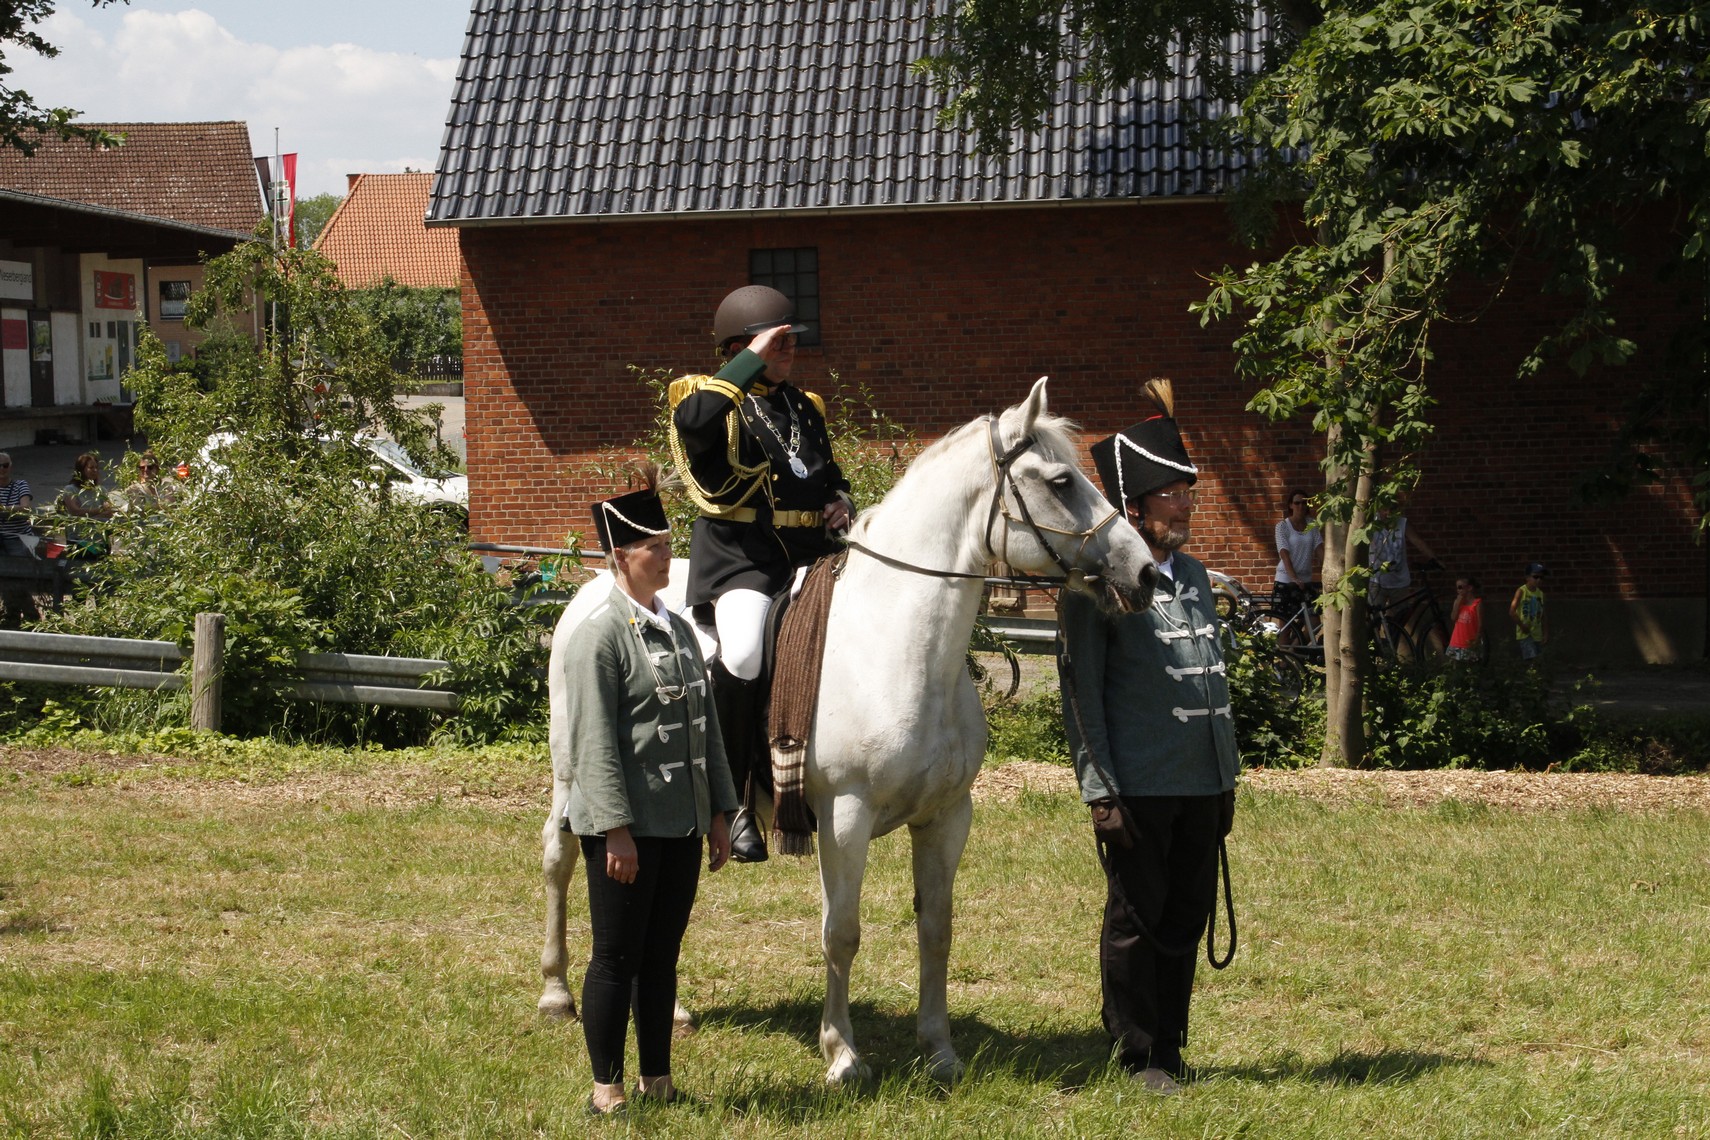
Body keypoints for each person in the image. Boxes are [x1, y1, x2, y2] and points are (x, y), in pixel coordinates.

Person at [1057, 378, 1240, 1095]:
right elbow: (1082, 697)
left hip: (1201, 781)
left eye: (1188, 494)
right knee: (1138, 919)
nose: (1186, 507)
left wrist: (1224, 777)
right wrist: (1099, 789)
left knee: (1188, 914)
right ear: (1136, 507)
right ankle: (1136, 1053)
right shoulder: (1094, 585)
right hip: (1137, 785)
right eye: (1172, 496)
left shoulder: (1193, 575)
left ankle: (1170, 1042)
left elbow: (1211, 682)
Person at [558, 478, 738, 1116]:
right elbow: (592, 743)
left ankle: (656, 1079)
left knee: (661, 958)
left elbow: (708, 730)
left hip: (681, 823)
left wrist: (719, 812)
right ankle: (605, 1089)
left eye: (667, 544)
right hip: (626, 829)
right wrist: (614, 828)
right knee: (616, 957)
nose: (666, 556)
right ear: (620, 556)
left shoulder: (680, 630)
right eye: (652, 547)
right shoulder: (600, 635)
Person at [667, 284, 853, 860]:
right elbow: (695, 424)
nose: (790, 350)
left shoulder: (804, 407)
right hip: (742, 558)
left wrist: (841, 498)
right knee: (745, 653)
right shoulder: (709, 399)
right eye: (777, 342)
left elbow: (828, 473)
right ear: (739, 348)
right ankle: (734, 801)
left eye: (791, 341)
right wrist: (749, 362)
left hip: (811, 554)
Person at [1272, 489, 1321, 644]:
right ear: (1290, 505)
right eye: (1297, 503)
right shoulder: (1282, 526)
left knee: (1315, 623)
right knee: (1286, 626)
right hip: (1286, 580)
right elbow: (1284, 553)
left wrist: (1328, 569)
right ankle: (1283, 657)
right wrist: (1293, 577)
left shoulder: (1312, 525)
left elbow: (1319, 549)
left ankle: (1294, 650)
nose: (1301, 506)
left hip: (1305, 581)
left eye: (1304, 503)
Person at [0, 452, 41, 628]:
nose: (2, 469)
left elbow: (25, 509)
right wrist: (11, 509)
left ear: (11, 466)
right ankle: (15, 614)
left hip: (19, 538)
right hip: (1, 538)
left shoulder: (20, 485)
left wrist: (3, 509)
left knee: (15, 576)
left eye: (5, 465)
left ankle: (23, 614)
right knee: (5, 576)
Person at [57, 451, 113, 559]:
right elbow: (75, 511)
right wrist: (100, 511)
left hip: (100, 541)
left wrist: (87, 517)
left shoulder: (101, 490)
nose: (95, 470)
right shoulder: (70, 490)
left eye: (96, 467)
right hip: (79, 542)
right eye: (91, 468)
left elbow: (109, 512)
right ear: (81, 470)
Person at [1510, 562, 1548, 662]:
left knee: (1538, 659)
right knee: (1531, 658)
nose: (1539, 580)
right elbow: (1512, 611)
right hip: (1525, 632)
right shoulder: (1521, 591)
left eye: (1541, 578)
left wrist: (1545, 633)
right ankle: (1531, 672)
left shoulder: (1541, 594)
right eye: (1535, 577)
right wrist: (1522, 626)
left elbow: (1543, 615)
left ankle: (1534, 672)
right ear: (1527, 577)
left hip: (1537, 633)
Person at [1447, 575, 1484, 663]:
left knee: (1471, 665)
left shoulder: (1477, 603)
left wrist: (1476, 640)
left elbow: (1480, 624)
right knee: (1455, 666)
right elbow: (1453, 618)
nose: (1458, 590)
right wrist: (1457, 604)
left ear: (1469, 588)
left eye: (1460, 587)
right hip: (1456, 642)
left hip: (1470, 642)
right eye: (1457, 588)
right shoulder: (1458, 603)